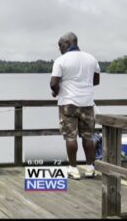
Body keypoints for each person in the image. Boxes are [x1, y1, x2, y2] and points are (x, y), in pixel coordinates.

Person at [50, 32, 100, 180]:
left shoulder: (61, 60)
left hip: (68, 104)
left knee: (70, 137)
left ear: (67, 43)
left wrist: (56, 91)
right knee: (88, 136)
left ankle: (73, 168)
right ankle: (90, 168)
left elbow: (53, 83)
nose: (59, 49)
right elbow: (96, 81)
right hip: (87, 104)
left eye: (60, 45)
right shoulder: (91, 59)